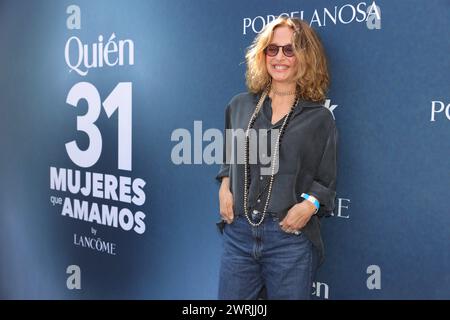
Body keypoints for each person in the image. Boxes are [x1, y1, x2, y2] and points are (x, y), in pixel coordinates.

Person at [215, 16, 338, 300]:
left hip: (289, 240)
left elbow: (326, 180)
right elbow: (228, 158)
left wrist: (308, 207)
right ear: (263, 54)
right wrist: (224, 186)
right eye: (272, 49)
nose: (279, 57)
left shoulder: (319, 118)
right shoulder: (239, 106)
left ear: (305, 57)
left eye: (290, 49)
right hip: (239, 234)